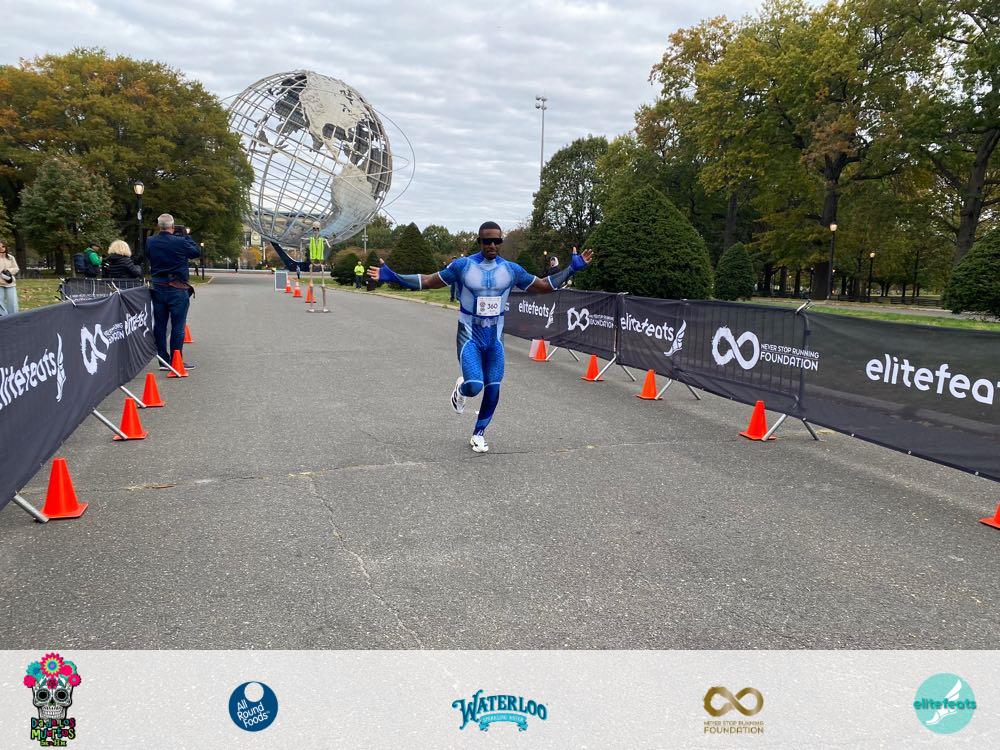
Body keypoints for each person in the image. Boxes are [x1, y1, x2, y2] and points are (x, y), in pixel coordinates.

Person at [368, 221, 592, 453]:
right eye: (487, 241)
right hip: (469, 337)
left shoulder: (512, 270)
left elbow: (544, 285)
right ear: (480, 242)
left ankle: (479, 433)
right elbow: (427, 280)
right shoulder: (463, 266)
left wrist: (572, 269)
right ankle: (461, 389)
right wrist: (392, 276)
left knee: (493, 387)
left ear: (501, 242)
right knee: (475, 385)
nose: (492, 245)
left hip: (495, 339)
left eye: (496, 241)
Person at [146, 214, 200, 370]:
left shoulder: (150, 241)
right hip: (177, 287)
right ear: (172, 226)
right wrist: (186, 236)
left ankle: (163, 360)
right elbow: (196, 252)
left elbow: (148, 256)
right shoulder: (180, 241)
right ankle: (177, 360)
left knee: (160, 325)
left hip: (157, 287)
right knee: (178, 325)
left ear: (159, 226)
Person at [0, 239, 19, 316]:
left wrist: (8, 270)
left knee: (12, 302)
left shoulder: (11, 257)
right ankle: (3, 317)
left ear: (6, 247)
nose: (1, 248)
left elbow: (16, 268)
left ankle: (13, 317)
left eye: (3, 246)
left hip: (10, 282)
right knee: (0, 303)